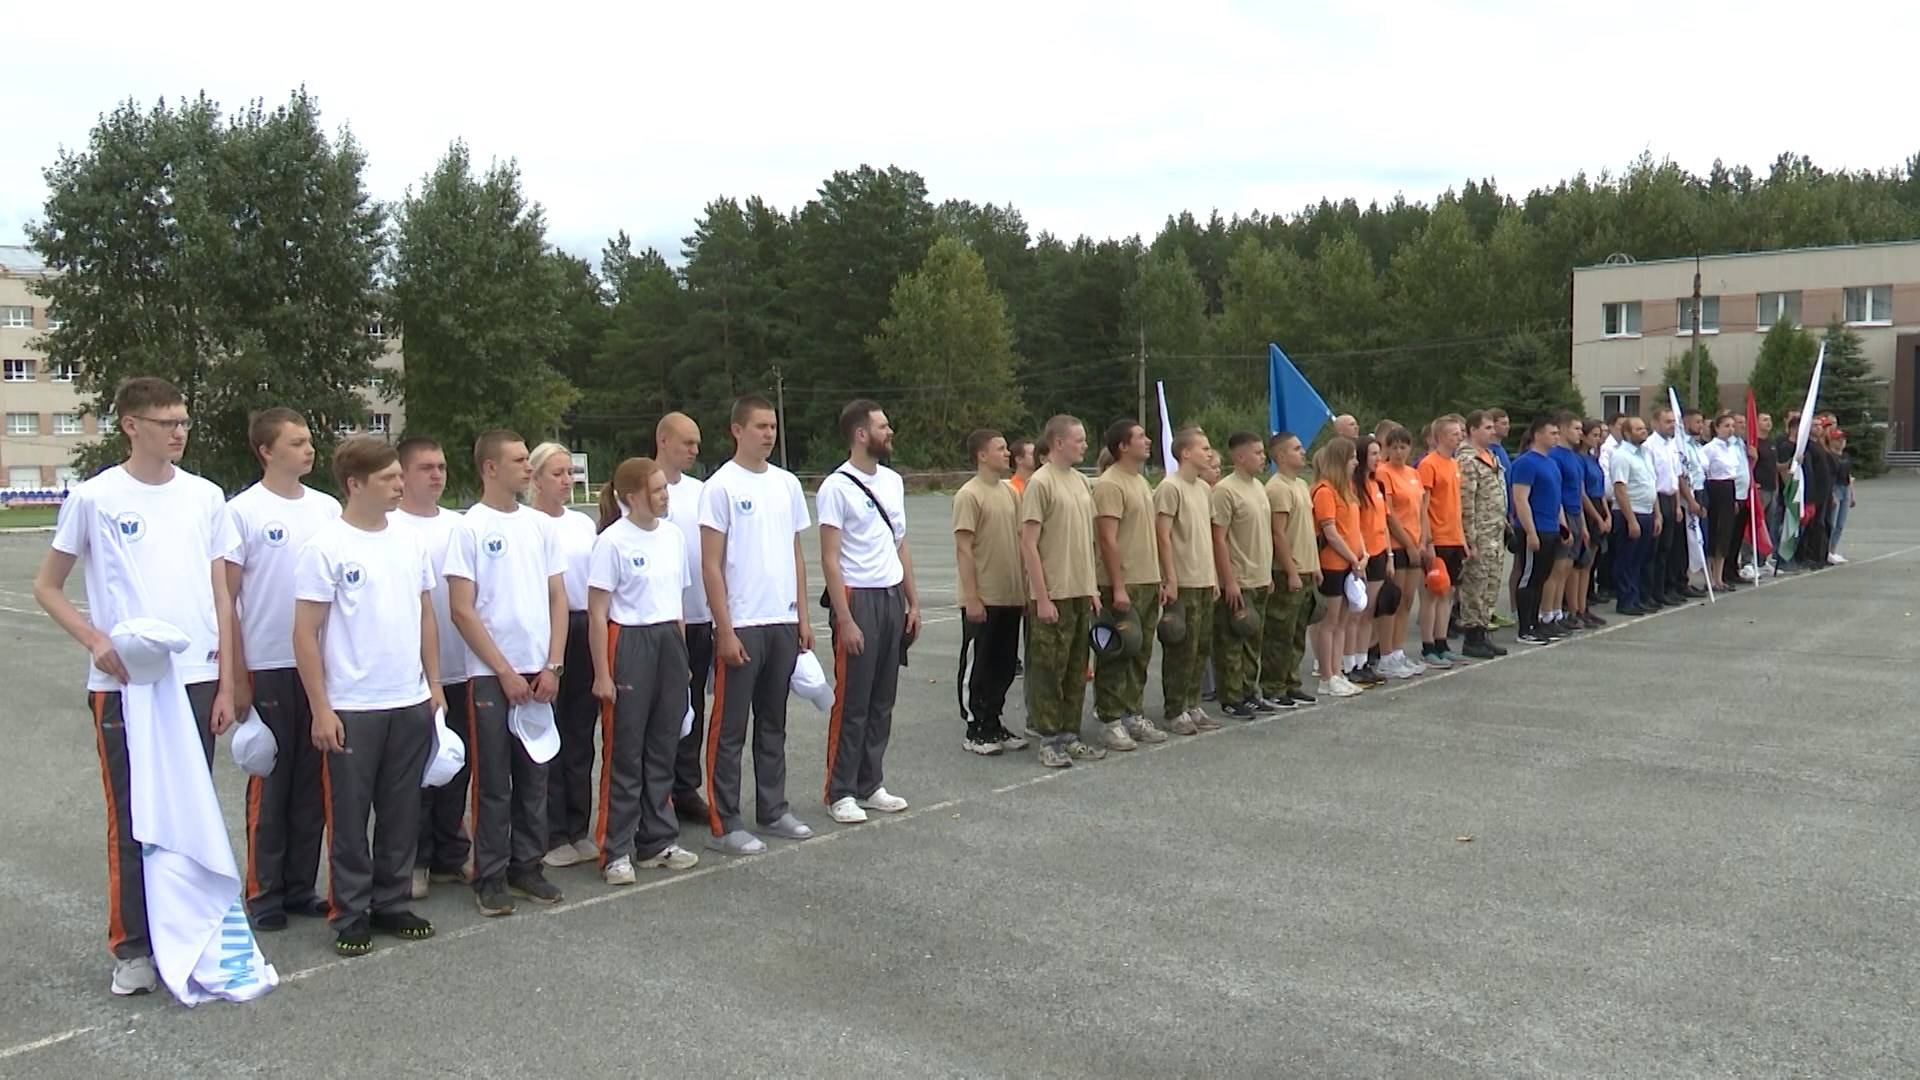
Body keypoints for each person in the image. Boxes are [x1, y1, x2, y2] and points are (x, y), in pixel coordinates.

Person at [33, 376, 241, 997]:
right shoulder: (95, 498)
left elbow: (221, 595)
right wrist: (95, 640)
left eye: (183, 421)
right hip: (125, 683)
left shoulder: (205, 496)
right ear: (131, 426)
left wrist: (227, 681)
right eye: (166, 422)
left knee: (190, 810)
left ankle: (192, 933)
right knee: (132, 815)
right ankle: (133, 947)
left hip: (196, 679)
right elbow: (47, 586)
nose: (179, 432)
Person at [291, 436, 442, 957]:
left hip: (409, 698)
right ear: (355, 485)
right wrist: (321, 708)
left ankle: (391, 901)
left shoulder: (410, 541)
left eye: (400, 475)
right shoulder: (326, 547)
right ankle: (350, 911)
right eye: (389, 478)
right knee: (350, 816)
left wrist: (433, 685)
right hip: (353, 705)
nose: (401, 484)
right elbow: (305, 633)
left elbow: (426, 615)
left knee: (402, 810)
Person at [223, 408, 341, 932]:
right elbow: (227, 601)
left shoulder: (328, 509)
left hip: (317, 665)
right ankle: (264, 890)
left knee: (313, 780)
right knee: (272, 779)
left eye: (309, 440)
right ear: (266, 451)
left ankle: (300, 885)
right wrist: (236, 676)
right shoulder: (242, 512)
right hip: (267, 663)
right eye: (296, 442)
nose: (308, 449)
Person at [444, 429, 568, 915]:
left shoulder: (540, 526)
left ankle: (526, 866)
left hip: (540, 671)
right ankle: (490, 874)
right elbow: (462, 609)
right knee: (494, 779)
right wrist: (503, 671)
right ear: (490, 468)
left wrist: (553, 664)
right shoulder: (469, 528)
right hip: (491, 675)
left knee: (535, 773)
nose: (528, 467)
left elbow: (558, 597)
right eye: (518, 460)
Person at [700, 395, 816, 853]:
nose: (769, 434)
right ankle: (724, 822)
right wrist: (725, 628)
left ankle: (773, 809)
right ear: (737, 430)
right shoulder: (720, 487)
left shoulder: (787, 484)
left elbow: (796, 555)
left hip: (782, 621)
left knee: (774, 723)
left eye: (772, 426)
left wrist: (802, 616)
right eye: (760, 426)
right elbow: (711, 565)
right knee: (730, 729)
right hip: (743, 624)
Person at [586, 457, 701, 885]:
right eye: (656, 490)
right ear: (632, 497)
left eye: (665, 488)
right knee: (626, 751)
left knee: (663, 747)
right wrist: (603, 674)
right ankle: (615, 850)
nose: (665, 496)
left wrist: (682, 660)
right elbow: (597, 613)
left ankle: (657, 840)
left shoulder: (673, 537)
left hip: (668, 641)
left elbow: (677, 605)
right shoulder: (612, 542)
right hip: (629, 642)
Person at [818, 400, 919, 823]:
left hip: (891, 596)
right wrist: (844, 618)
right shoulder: (836, 487)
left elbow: (900, 543)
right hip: (857, 597)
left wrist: (913, 602)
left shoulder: (893, 482)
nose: (889, 431)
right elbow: (829, 557)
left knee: (882, 699)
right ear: (861, 434)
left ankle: (870, 782)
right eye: (882, 426)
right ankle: (840, 790)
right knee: (853, 701)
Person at [390, 437, 472, 900]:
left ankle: (450, 855)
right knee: (416, 773)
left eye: (441, 466)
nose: (437, 475)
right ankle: (415, 860)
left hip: (463, 665)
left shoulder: (460, 526)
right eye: (426, 468)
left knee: (457, 765)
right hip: (414, 675)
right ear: (402, 475)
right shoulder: (391, 527)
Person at [527, 442, 602, 870]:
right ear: (535, 478)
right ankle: (550, 830)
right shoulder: (528, 524)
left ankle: (577, 825)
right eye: (556, 473)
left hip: (583, 625)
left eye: (569, 472)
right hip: (546, 630)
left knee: (579, 732)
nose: (566, 480)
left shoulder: (582, 524)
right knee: (547, 733)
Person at [1020, 414, 1104, 767]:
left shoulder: (1081, 482)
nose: (1084, 445)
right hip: (1053, 592)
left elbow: (1086, 539)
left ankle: (1070, 734)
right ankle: (1049, 739)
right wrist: (1041, 597)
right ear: (1058, 443)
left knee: (1075, 669)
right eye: (1078, 440)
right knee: (1048, 671)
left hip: (1079, 591)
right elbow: (1028, 543)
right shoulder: (1041, 483)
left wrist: (1091, 587)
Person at [1091, 418, 1168, 747]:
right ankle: (1109, 718)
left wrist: (1160, 577)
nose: (1147, 441)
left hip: (1146, 579)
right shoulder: (1110, 484)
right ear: (1122, 446)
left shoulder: (1139, 481)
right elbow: (1108, 539)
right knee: (1117, 652)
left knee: (1141, 652)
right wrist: (1118, 585)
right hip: (1122, 583)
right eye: (1140, 437)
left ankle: (1132, 713)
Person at [654, 412, 714, 823]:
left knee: (693, 705)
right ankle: (656, 790)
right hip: (657, 621)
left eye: (697, 443)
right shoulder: (640, 487)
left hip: (698, 616)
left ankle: (686, 786)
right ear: (663, 440)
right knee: (660, 709)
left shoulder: (701, 492)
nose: (695, 450)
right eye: (687, 442)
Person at [953, 429, 1028, 754]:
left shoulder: (1010, 493)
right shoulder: (969, 495)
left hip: (1010, 594)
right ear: (982, 455)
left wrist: (1024, 589)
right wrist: (972, 597)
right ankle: (976, 729)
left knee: (1004, 664)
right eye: (1000, 449)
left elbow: (1020, 541)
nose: (1007, 453)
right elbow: (964, 548)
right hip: (983, 596)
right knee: (979, 665)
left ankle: (994, 722)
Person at [1156, 427, 1222, 734]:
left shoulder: (1204, 489)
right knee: (1180, 647)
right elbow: (1163, 535)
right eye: (1203, 448)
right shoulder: (1171, 487)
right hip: (1182, 580)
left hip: (1203, 578)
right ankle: (1175, 709)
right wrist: (1170, 578)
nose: (1209, 453)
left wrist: (1214, 576)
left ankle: (1193, 703)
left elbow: (1207, 535)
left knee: (1200, 646)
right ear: (1185, 453)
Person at [1211, 431, 1276, 719]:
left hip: (1259, 576)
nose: (1263, 458)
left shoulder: (1258, 487)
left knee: (1253, 641)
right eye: (1257, 453)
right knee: (1232, 642)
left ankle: (1249, 692)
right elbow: (1219, 538)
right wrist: (1229, 580)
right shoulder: (1225, 490)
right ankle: (1231, 696)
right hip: (1239, 578)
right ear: (1240, 456)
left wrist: (1268, 573)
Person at [1260, 431, 1320, 707]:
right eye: (1296, 448)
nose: (1302, 451)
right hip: (1287, 571)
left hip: (1306, 568)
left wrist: (1314, 565)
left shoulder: (1300, 485)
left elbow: (1306, 530)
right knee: (1280, 633)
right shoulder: (1278, 488)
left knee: (1297, 632)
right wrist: (1291, 570)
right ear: (1281, 456)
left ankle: (1291, 682)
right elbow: (1278, 533)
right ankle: (1273, 686)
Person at [1308, 437, 1364, 698]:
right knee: (1329, 622)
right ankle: (1326, 675)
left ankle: (1338, 671)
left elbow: (1354, 528)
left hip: (1350, 562)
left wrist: (1362, 555)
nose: (1356, 462)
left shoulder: (1347, 490)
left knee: (1342, 620)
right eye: (1352, 458)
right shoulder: (1325, 491)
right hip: (1333, 563)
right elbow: (1330, 532)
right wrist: (1352, 557)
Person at [1373, 425, 1427, 676]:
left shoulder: (1413, 473)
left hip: (1415, 541)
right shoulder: (1384, 473)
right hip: (1397, 543)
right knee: (1392, 600)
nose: (1398, 452)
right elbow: (1390, 514)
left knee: (1407, 600)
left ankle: (1398, 650)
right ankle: (1385, 654)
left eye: (1403, 447)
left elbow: (1421, 509)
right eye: (1393, 447)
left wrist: (1422, 541)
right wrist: (1407, 544)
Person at [1456, 410, 1509, 659]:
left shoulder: (1491, 457)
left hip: (1495, 531)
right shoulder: (1468, 460)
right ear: (1473, 430)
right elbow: (1466, 503)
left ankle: (1483, 632)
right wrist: (1470, 540)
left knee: (1491, 585)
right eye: (1487, 428)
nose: (1492, 432)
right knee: (1475, 587)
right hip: (1479, 533)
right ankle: (1472, 637)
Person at [1509, 416, 1567, 645]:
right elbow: (1521, 499)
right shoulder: (1526, 463)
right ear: (1538, 435)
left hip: (1551, 528)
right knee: (1529, 578)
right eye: (1552, 433)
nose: (1556, 437)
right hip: (1535, 528)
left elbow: (1556, 498)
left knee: (1541, 578)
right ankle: (1525, 629)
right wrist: (1531, 532)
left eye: (1557, 433)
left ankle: (1536, 623)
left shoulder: (1551, 463)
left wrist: (1562, 526)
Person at [1417, 414, 1468, 665]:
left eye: (1460, 433)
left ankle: (1441, 641)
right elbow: (1423, 506)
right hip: (1437, 538)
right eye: (1454, 434)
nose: (1459, 437)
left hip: (1454, 537)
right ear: (1440, 437)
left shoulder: (1454, 464)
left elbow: (1455, 506)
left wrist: (1463, 539)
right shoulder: (1429, 464)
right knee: (1432, 593)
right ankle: (1428, 646)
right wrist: (1427, 541)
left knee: (1447, 593)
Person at [1541, 412, 1592, 637]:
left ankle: (1559, 614)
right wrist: (1563, 523)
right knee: (1556, 569)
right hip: (1562, 515)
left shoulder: (1575, 457)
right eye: (1576, 429)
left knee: (1567, 568)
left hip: (1575, 513)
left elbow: (1578, 492)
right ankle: (1547, 614)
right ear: (1562, 429)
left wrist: (1583, 525)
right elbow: (1557, 492)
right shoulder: (1555, 456)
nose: (1580, 433)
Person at [1346, 436, 1389, 686]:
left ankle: (1362, 661)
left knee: (1369, 610)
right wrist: (1359, 556)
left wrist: (1389, 555)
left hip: (1379, 552)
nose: (1378, 459)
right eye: (1373, 454)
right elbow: (1355, 526)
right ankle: (1349, 663)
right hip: (1361, 556)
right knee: (1356, 612)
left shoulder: (1377, 484)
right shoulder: (1353, 487)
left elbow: (1383, 522)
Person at [1607, 416, 1660, 616]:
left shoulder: (1645, 454)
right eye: (1638, 429)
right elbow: (1620, 489)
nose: (1643, 431)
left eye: (1644, 428)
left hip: (1646, 511)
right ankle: (1625, 600)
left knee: (1639, 559)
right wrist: (1631, 520)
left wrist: (1657, 515)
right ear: (1627, 433)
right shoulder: (1621, 455)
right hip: (1630, 512)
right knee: (1626, 559)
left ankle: (1636, 597)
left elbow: (1651, 485)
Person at [1642, 408, 1686, 608]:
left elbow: (1675, 477)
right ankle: (1649, 592)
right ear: (1655, 423)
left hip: (1671, 498)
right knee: (1653, 550)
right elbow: (1651, 479)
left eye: (1673, 422)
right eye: (1667, 422)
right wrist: (1658, 511)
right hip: (1656, 498)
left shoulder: (1672, 445)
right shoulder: (1649, 446)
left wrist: (1677, 506)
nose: (1672, 426)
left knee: (1668, 549)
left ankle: (1665, 589)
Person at [1701, 413, 1743, 591]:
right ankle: (1710, 577)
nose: (1730, 429)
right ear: (1717, 428)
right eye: (1726, 426)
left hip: (1729, 489)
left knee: (1725, 534)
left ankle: (1719, 577)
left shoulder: (1731, 448)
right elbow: (1703, 471)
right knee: (1714, 532)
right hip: (1715, 489)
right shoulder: (1710, 449)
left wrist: (1734, 499)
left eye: (1732, 426)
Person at [1578, 418, 1610, 620]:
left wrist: (1606, 513)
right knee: (1583, 561)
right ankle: (1578, 606)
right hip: (1588, 507)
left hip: (1598, 503)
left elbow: (1601, 489)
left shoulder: (1593, 458)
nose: (1598, 439)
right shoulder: (1580, 459)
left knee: (1591, 562)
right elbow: (1583, 492)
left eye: (1600, 435)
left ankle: (1584, 605)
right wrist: (1597, 517)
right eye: (1594, 435)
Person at [1829, 428, 1855, 563]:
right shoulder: (1830, 456)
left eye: (1843, 440)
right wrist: (1831, 494)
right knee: (1832, 522)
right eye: (1838, 440)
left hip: (1845, 488)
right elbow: (1829, 477)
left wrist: (1852, 494)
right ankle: (1827, 550)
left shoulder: (1846, 456)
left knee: (1840, 523)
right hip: (1835, 487)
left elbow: (1849, 476)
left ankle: (1833, 550)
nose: (1841, 442)